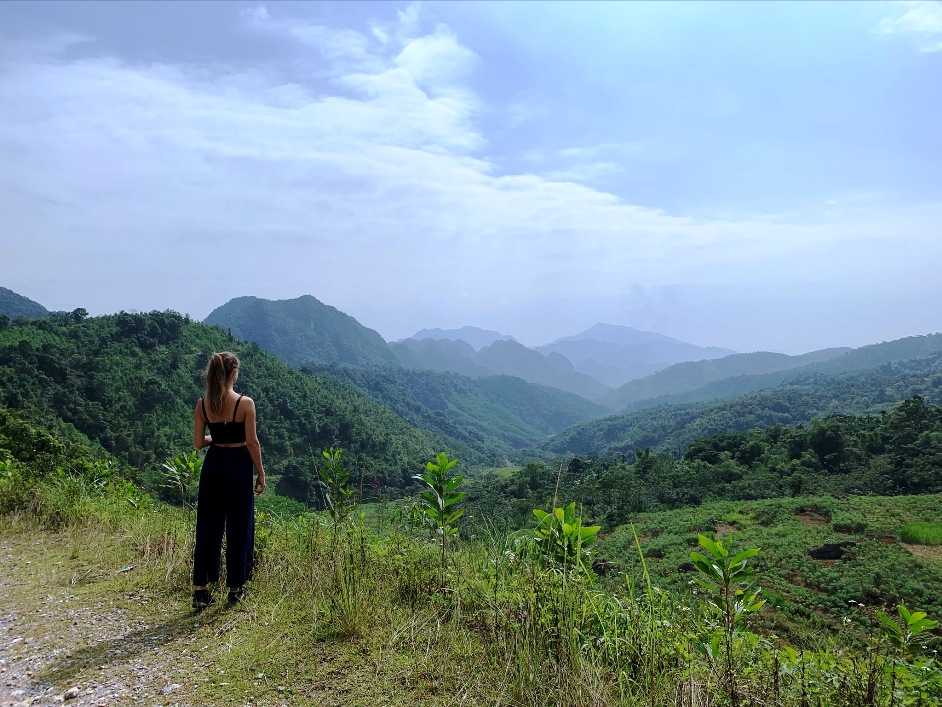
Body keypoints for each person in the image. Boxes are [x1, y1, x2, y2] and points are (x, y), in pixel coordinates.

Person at [191, 351, 266, 609]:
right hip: (238, 465)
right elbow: (252, 442)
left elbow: (199, 443)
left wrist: (217, 438)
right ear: (233, 374)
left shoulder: (202, 404)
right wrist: (261, 472)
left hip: (213, 466)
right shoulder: (245, 404)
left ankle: (200, 590)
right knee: (239, 525)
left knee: (208, 525)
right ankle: (235, 588)